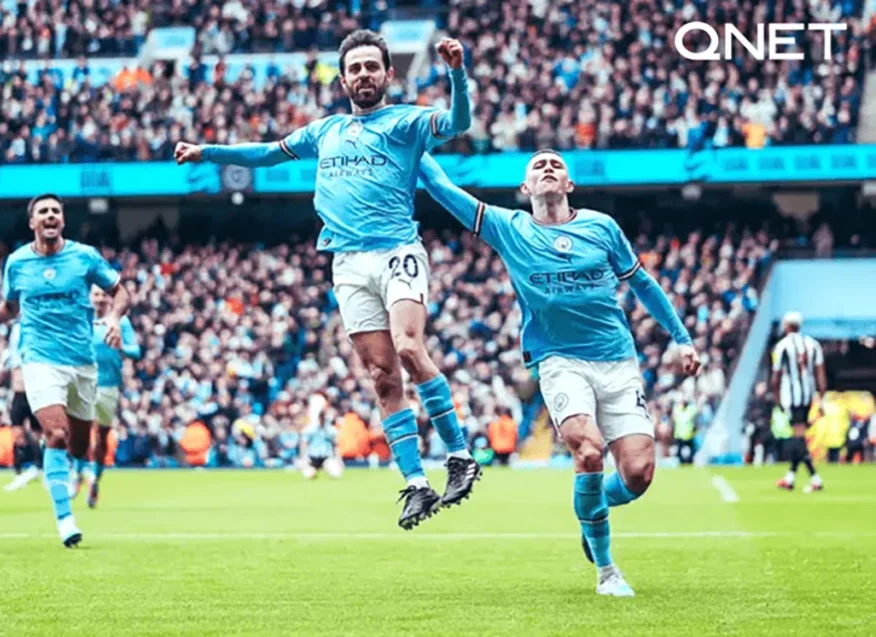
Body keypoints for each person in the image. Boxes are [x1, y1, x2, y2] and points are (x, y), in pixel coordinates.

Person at [174, 30, 479, 530]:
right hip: (346, 263)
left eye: (370, 67)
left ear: (388, 74)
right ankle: (417, 484)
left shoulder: (405, 122)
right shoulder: (326, 131)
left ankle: (460, 455)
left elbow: (457, 122)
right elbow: (267, 153)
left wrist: (456, 73)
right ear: (343, 79)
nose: (363, 74)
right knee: (382, 378)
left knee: (407, 347)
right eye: (354, 68)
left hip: (396, 250)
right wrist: (207, 152)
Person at [419, 150, 701, 597]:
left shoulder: (602, 227)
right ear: (526, 189)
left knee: (639, 473)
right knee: (588, 450)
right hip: (558, 360)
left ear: (569, 185)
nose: (548, 167)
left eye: (557, 165)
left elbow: (642, 283)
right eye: (538, 166)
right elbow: (446, 192)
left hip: (617, 359)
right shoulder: (509, 227)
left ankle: (591, 510)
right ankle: (608, 571)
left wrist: (681, 337)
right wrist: (415, 150)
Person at [0, 193, 130, 548]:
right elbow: (10, 308)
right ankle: (64, 519)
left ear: (63, 221)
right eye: (44, 211)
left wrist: (114, 317)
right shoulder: (18, 262)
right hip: (39, 359)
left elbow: (120, 292)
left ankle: (66, 468)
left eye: (56, 210)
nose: (51, 215)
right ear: (33, 222)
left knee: (81, 445)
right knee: (55, 434)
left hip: (82, 362)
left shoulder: (84, 256)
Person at [84, 284, 141, 508]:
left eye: (103, 295)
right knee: (75, 428)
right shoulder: (82, 321)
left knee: (101, 437)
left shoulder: (121, 322)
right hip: (84, 382)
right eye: (95, 294)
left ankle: (95, 477)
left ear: (110, 299)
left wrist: (121, 345)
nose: (99, 299)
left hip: (109, 386)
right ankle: (78, 472)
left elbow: (136, 351)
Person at [771, 311, 826, 493]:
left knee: (798, 437)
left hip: (791, 397)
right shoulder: (813, 344)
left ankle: (815, 478)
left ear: (787, 325)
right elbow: (820, 374)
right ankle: (790, 477)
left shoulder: (782, 346)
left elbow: (776, 377)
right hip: (807, 395)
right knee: (799, 436)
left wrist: (777, 399)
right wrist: (821, 397)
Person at [2, 322, 43, 492]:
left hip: (35, 392)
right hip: (19, 393)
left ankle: (41, 468)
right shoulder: (17, 332)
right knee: (18, 434)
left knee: (38, 435)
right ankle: (19, 473)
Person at [300, 394, 343, 480]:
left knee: (336, 474)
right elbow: (304, 443)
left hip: (326, 457)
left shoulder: (331, 429)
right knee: (308, 475)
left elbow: (335, 445)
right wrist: (304, 458)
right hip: (313, 458)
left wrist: (339, 459)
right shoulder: (310, 429)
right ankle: (313, 470)